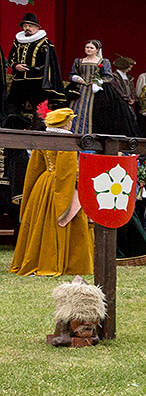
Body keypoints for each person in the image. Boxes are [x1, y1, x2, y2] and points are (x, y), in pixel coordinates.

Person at [9, 107, 93, 277]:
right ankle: (68, 263)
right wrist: (79, 183)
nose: (71, 123)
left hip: (43, 183)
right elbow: (66, 172)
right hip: (62, 184)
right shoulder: (66, 142)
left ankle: (37, 259)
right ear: (65, 123)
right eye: (70, 120)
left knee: (40, 222)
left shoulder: (44, 139)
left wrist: (33, 190)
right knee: (67, 220)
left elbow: (35, 168)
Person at [5, 12, 63, 121]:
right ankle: (11, 126)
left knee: (38, 107)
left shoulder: (44, 43)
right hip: (19, 80)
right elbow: (11, 58)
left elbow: (49, 63)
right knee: (12, 104)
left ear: (37, 27)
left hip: (36, 81)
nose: (27, 28)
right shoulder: (17, 42)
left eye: (30, 26)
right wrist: (16, 65)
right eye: (25, 26)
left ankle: (38, 129)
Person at [68, 40, 114, 135]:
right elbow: (71, 74)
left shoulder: (103, 61)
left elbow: (109, 76)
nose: (88, 49)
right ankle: (72, 132)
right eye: (87, 47)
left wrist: (98, 82)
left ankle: (89, 135)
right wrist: (76, 78)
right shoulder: (79, 61)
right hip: (79, 89)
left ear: (97, 50)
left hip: (95, 91)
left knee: (95, 113)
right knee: (74, 110)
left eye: (91, 48)